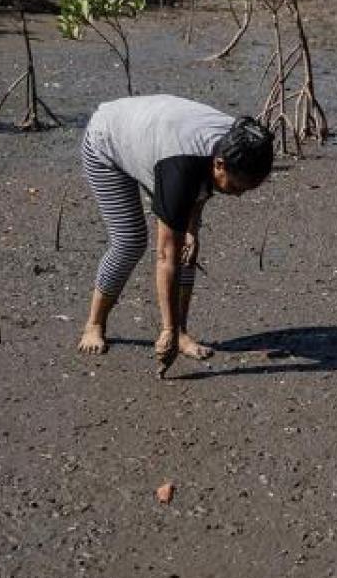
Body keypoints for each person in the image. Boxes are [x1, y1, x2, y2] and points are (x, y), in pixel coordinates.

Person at [77, 95, 275, 375]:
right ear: (219, 164)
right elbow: (165, 256)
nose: (240, 194)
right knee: (130, 241)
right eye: (236, 187)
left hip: (155, 140)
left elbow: (205, 186)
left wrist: (192, 228)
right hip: (106, 143)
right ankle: (95, 323)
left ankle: (182, 332)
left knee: (187, 248)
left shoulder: (241, 142)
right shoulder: (181, 166)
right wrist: (165, 329)